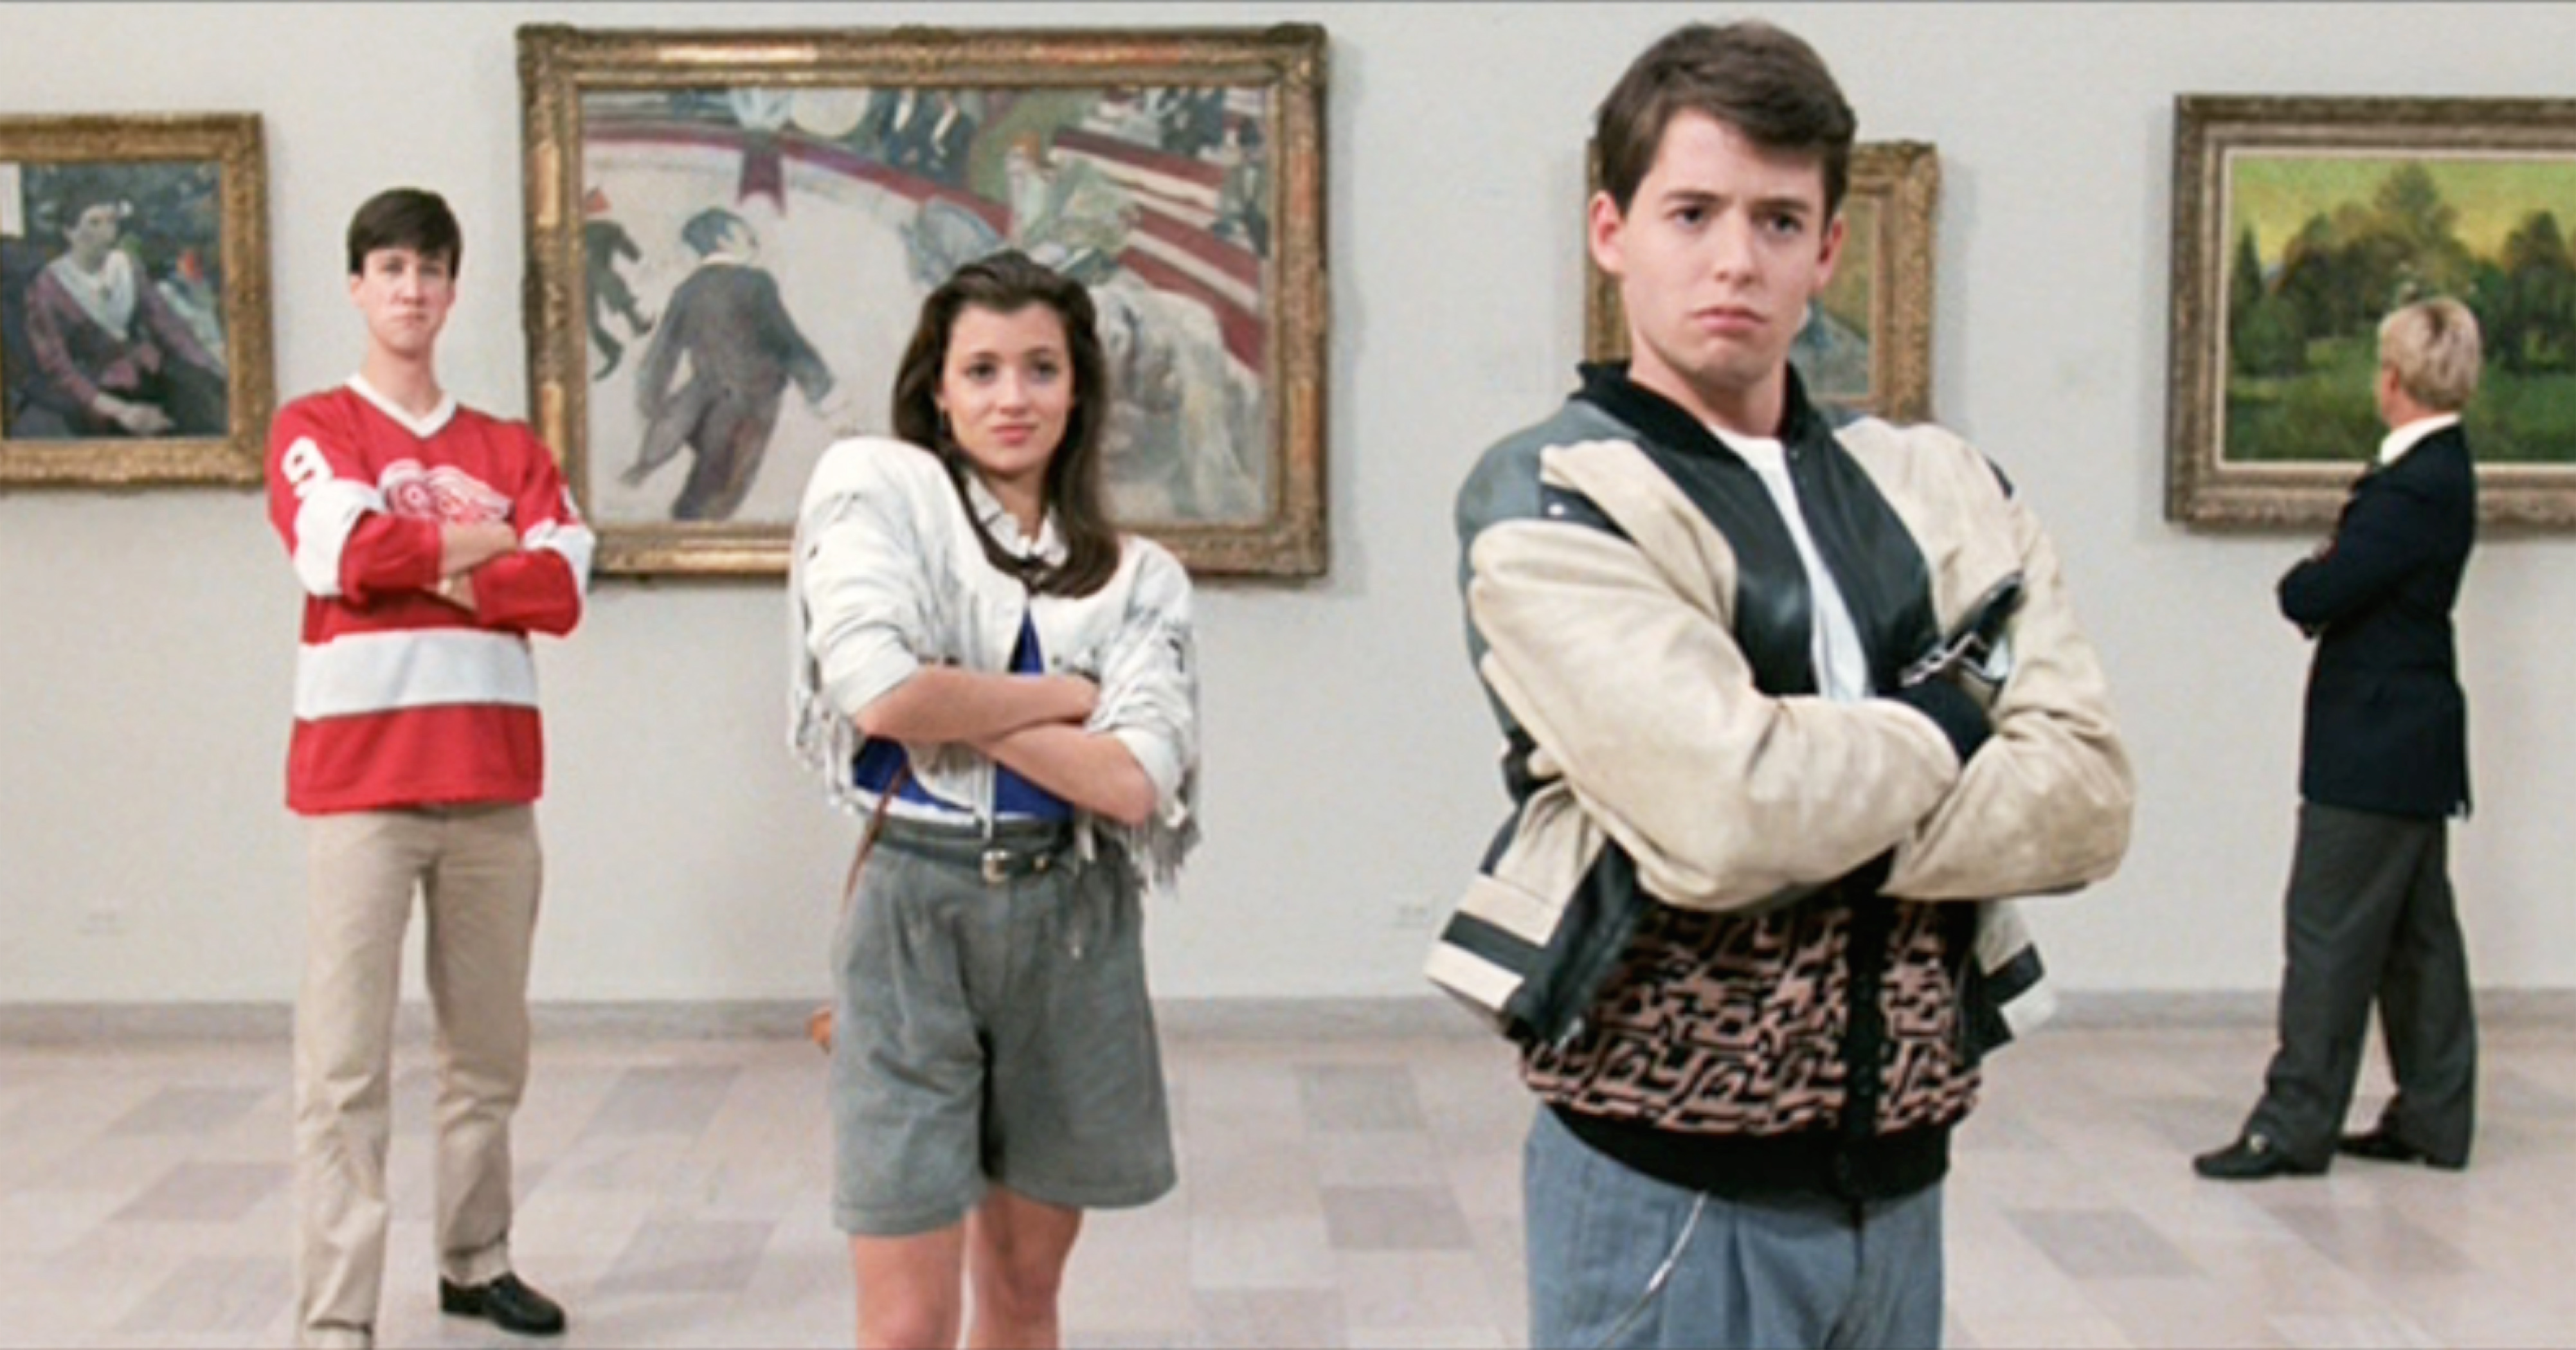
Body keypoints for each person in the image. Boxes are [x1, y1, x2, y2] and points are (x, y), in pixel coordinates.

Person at [1432, 22, 2133, 1347]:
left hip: (1900, 1178)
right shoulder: (1547, 496)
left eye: (1775, 219)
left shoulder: (1940, 484)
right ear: (1609, 229)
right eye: (1689, 211)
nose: (1731, 259)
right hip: (1666, 1187)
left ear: (1825, 248)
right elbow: (1722, 813)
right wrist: (1946, 717)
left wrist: (1807, 787)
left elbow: (2085, 795)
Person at [788, 249, 1199, 1349]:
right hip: (912, 913)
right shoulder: (883, 509)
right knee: (906, 1327)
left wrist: (954, 699)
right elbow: (876, 693)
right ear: (939, 390)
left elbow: (1130, 782)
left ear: (1077, 391)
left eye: (1039, 369)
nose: (1011, 399)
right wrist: (1069, 696)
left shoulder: (1137, 575)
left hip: (1070, 920)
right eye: (980, 371)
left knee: (1022, 1298)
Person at [264, 187, 590, 1349]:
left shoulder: (510, 447)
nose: (410, 289)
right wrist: (489, 542)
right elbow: (339, 552)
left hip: (494, 790)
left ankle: (475, 1261)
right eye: (389, 267)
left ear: (455, 291)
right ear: (357, 285)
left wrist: (429, 564)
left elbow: (561, 591)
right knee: (344, 1066)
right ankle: (339, 1312)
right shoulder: (315, 428)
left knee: (486, 1055)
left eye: (430, 270)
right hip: (362, 789)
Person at [2193, 297, 2483, 1182]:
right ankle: (2433, 1117)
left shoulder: (2413, 482)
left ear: (2391, 378)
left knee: (2325, 933)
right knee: (2412, 939)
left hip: (2374, 746)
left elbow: (2314, 593)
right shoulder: (2434, 471)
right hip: (2406, 743)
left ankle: (2291, 1124)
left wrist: (2306, 574)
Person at [624, 206, 838, 521]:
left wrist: (654, 405)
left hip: (703, 401)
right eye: (744, 232)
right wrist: (825, 394)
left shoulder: (688, 290)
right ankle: (693, 535)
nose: (753, 238)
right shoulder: (757, 283)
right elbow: (787, 342)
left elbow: (661, 354)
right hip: (754, 401)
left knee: (709, 478)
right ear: (724, 240)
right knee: (727, 486)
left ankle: (683, 530)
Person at [18, 183, 228, 438]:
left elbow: (167, 325)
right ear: (69, 232)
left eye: (110, 221)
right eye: (94, 223)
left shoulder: (126, 266)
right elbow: (59, 368)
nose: (106, 231)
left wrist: (209, 366)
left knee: (203, 407)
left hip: (147, 373)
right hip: (94, 394)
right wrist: (120, 411)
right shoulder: (48, 287)